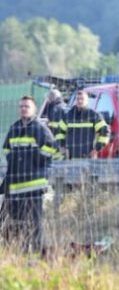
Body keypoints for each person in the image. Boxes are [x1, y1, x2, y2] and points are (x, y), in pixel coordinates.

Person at [0, 96, 57, 254]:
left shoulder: (39, 128)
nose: (23, 109)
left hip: (33, 186)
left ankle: (36, 252)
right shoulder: (14, 128)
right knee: (13, 222)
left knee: (34, 222)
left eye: (27, 106)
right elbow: (6, 149)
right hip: (16, 186)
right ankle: (18, 250)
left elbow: (52, 147)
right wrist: (13, 159)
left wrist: (37, 160)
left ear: (34, 109)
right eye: (21, 106)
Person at [58, 90, 110, 159]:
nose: (79, 101)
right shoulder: (68, 116)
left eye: (82, 99)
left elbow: (105, 132)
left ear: (87, 101)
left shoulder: (94, 116)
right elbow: (59, 132)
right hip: (71, 159)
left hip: (88, 159)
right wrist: (62, 146)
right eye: (78, 99)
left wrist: (97, 148)